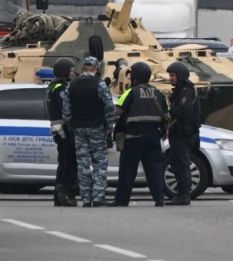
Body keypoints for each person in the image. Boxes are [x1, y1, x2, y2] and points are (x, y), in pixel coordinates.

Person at [111, 62, 168, 207]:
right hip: (153, 138)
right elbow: (167, 114)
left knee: (128, 171)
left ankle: (122, 200)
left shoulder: (130, 93)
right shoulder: (159, 93)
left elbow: (117, 112)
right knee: (154, 170)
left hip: (133, 139)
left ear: (134, 76)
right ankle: (159, 199)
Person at [62, 56, 115, 208]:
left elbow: (66, 110)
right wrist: (109, 125)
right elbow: (109, 106)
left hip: (79, 129)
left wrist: (70, 124)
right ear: (96, 68)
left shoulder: (71, 85)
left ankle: (85, 198)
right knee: (99, 163)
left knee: (83, 164)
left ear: (83, 68)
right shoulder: (99, 84)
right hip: (97, 128)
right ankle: (98, 197)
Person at [166, 61, 201, 206]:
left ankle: (184, 195)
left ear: (180, 76)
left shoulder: (186, 91)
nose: (170, 78)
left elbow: (183, 112)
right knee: (177, 163)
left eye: (173, 75)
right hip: (179, 134)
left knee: (182, 164)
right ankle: (181, 194)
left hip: (183, 134)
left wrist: (169, 108)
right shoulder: (181, 91)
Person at [47, 57, 78, 207]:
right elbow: (66, 109)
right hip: (65, 130)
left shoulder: (54, 86)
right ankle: (64, 194)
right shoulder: (60, 88)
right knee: (68, 163)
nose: (74, 73)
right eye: (71, 70)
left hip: (60, 129)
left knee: (64, 163)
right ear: (64, 72)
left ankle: (59, 195)